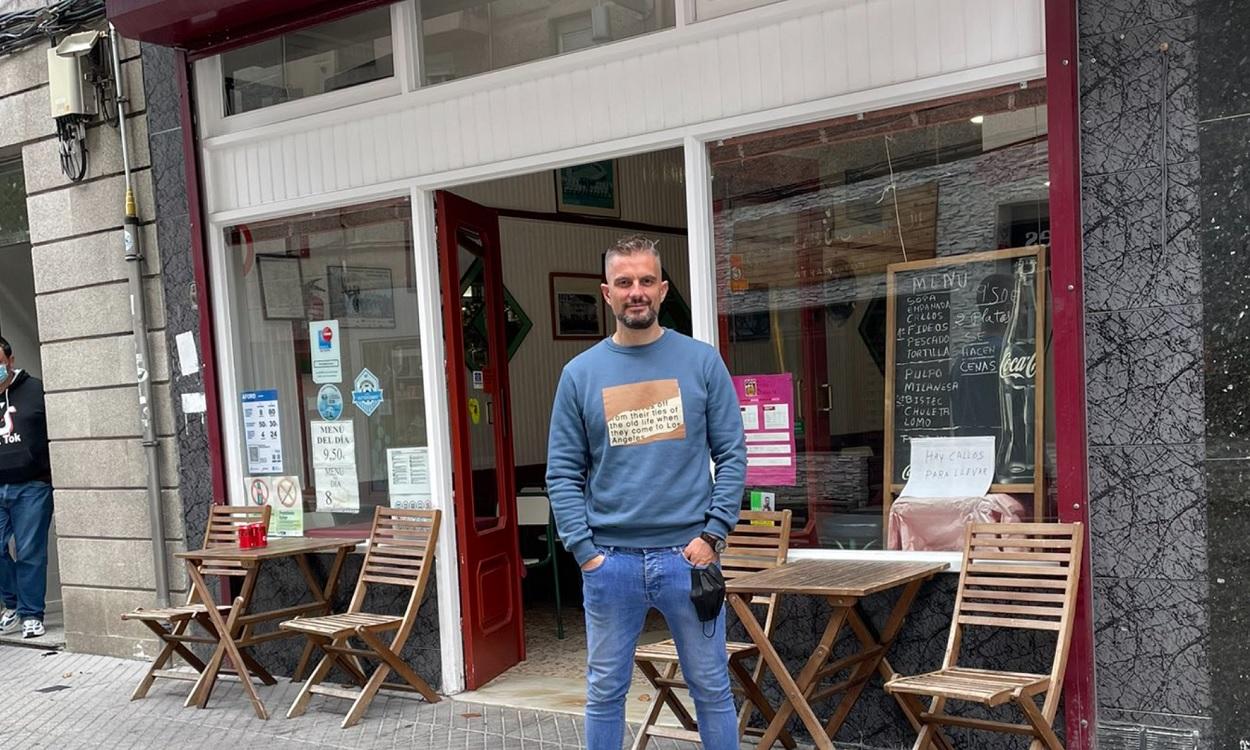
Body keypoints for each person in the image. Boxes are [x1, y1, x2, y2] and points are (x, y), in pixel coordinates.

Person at [546, 236, 747, 750]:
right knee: (605, 691)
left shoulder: (701, 362)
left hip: (690, 561)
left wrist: (714, 534)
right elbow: (562, 473)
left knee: (712, 688)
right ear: (606, 294)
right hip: (610, 564)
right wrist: (586, 553)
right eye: (624, 282)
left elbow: (732, 455)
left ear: (662, 288)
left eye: (645, 281)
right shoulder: (580, 375)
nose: (636, 291)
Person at [0, 336, 54, 639]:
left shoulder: (36, 390)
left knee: (30, 550)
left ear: (10, 359)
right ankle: (13, 605)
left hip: (32, 486)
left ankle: (31, 614)